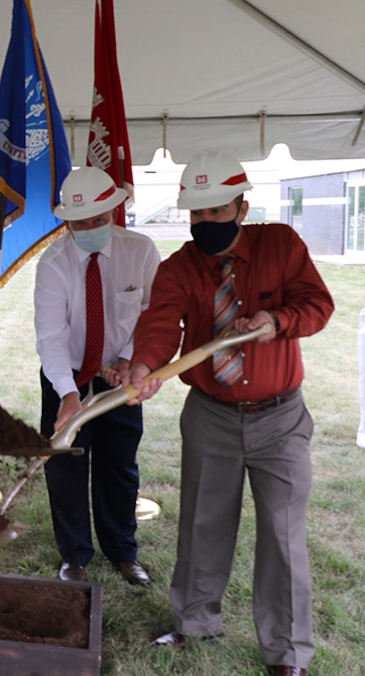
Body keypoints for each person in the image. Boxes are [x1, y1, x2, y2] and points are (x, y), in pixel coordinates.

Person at [128, 151, 333, 675]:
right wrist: (145, 366)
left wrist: (278, 320)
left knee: (283, 533)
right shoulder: (179, 267)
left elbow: (318, 305)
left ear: (242, 207)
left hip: (280, 419)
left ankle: (287, 653)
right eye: (196, 215)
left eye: (216, 213)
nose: (204, 224)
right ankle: (194, 621)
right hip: (210, 416)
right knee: (202, 523)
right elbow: (158, 326)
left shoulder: (281, 246)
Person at [33, 167, 160, 585]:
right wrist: (68, 395)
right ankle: (74, 556)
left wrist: (128, 358)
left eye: (97, 220)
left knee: (119, 465)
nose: (89, 229)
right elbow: (52, 335)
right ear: (66, 221)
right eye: (79, 223)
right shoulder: (54, 262)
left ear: (114, 210)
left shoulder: (140, 251)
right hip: (66, 374)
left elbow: (150, 315)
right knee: (65, 465)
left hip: (122, 376)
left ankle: (123, 551)